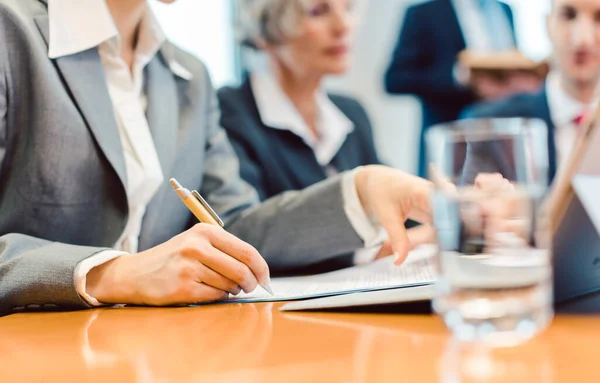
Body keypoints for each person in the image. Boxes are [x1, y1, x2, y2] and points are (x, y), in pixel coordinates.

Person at [0, 0, 432, 315]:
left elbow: (235, 228)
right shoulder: (9, 33)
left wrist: (360, 192)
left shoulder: (188, 77)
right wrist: (112, 274)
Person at [219, 0, 395, 269]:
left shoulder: (351, 113)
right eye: (318, 11)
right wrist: (373, 249)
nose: (343, 26)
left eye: (347, 8)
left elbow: (397, 210)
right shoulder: (228, 113)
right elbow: (246, 235)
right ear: (264, 31)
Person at [461, 0, 600, 185]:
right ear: (547, 25)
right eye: (568, 15)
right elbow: (467, 207)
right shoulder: (490, 129)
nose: (583, 39)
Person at [384, 0, 518, 177]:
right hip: (449, 141)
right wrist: (457, 76)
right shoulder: (424, 13)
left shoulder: (505, 10)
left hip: (502, 141)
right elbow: (395, 79)